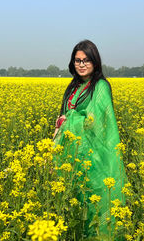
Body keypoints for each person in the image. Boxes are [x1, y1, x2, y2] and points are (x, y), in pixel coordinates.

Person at [53, 40, 126, 237]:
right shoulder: (74, 86)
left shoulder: (100, 86)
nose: (82, 64)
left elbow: (92, 122)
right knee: (76, 204)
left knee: (96, 202)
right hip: (75, 155)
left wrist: (66, 121)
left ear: (95, 62)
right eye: (77, 60)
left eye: (86, 60)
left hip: (96, 157)